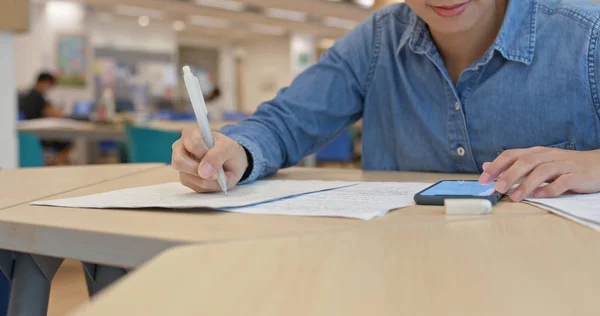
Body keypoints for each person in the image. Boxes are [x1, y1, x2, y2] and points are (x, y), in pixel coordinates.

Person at [172, 0, 600, 201]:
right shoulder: (376, 41)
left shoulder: (587, 36)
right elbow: (284, 122)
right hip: (402, 269)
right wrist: (238, 152)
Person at [18, 72, 71, 165]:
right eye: (50, 86)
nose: (49, 89)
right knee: (66, 143)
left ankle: (51, 165)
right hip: (38, 135)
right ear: (45, 83)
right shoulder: (37, 97)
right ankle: (56, 167)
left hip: (26, 134)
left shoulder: (26, 94)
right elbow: (55, 113)